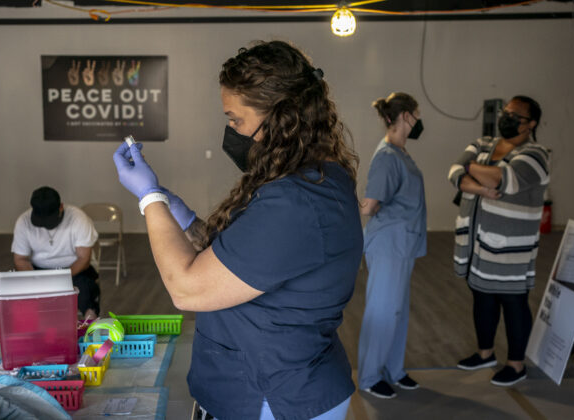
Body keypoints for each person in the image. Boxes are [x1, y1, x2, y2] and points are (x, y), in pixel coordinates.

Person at [112, 40, 363, 420]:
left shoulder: (296, 203)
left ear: (282, 116)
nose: (231, 130)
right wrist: (177, 211)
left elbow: (187, 287)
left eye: (236, 120)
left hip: (275, 396)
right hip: (276, 382)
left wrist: (149, 199)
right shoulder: (314, 181)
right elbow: (234, 259)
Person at [448, 95, 548, 386]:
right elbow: (453, 171)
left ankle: (516, 365)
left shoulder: (536, 154)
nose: (507, 117)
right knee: (482, 297)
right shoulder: (483, 144)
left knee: (513, 301)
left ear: (530, 123)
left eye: (515, 115)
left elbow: (502, 179)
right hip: (477, 244)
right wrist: (475, 181)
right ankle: (485, 353)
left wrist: (471, 170)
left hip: (510, 250)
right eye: (506, 112)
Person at [356, 93, 427, 399]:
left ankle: (393, 370)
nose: (418, 120)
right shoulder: (387, 156)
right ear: (405, 116)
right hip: (388, 245)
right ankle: (371, 376)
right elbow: (369, 206)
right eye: (416, 114)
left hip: (404, 245)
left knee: (396, 311)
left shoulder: (401, 152)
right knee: (383, 311)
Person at [11, 186, 100, 319]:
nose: (46, 225)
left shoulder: (78, 218)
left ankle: (89, 323)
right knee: (17, 291)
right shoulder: (23, 222)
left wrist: (59, 278)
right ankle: (30, 327)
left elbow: (83, 259)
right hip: (38, 270)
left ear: (61, 207)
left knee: (85, 290)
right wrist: (35, 280)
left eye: (49, 220)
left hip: (75, 269)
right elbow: (20, 259)